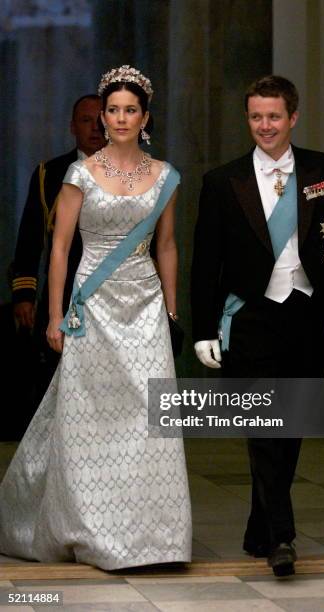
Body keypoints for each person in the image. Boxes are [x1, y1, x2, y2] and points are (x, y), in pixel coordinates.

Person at [0, 65, 192, 569]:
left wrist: (171, 310)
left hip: (145, 305)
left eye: (130, 110)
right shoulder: (78, 173)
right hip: (92, 306)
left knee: (149, 420)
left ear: (145, 116)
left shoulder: (165, 175)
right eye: (112, 110)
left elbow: (167, 246)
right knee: (90, 420)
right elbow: (59, 249)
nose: (120, 118)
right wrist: (55, 315)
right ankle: (90, 530)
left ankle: (156, 537)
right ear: (102, 118)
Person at [191, 75, 324, 577]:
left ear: (293, 117)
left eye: (273, 116)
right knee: (263, 425)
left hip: (307, 313)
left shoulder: (323, 170)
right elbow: (207, 264)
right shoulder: (223, 181)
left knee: (290, 426)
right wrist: (205, 329)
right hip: (250, 317)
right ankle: (282, 538)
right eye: (255, 117)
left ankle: (259, 523)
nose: (264, 126)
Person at [12, 94, 105, 410]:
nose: (95, 128)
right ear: (72, 127)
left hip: (114, 291)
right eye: (86, 120)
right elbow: (30, 238)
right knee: (61, 386)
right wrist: (24, 293)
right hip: (64, 294)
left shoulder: (132, 170)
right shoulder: (49, 173)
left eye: (101, 119)